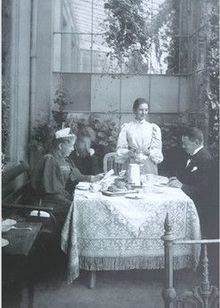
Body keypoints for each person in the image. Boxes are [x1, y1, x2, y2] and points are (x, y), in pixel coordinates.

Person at [168, 127, 214, 236]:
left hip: (200, 209)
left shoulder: (205, 159)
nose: (183, 146)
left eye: (185, 143)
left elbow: (205, 191)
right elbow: (189, 178)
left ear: (196, 142)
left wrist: (182, 186)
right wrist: (177, 180)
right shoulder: (193, 155)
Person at [31, 128, 77, 225]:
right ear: (61, 146)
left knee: (78, 207)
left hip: (54, 200)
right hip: (46, 203)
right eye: (71, 146)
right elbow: (51, 193)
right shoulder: (50, 160)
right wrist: (70, 202)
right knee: (77, 210)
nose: (73, 149)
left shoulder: (60, 159)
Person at [116, 97, 163, 175]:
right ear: (134, 110)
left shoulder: (153, 128)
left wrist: (149, 152)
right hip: (131, 162)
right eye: (140, 110)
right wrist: (129, 152)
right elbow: (120, 149)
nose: (143, 112)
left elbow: (157, 151)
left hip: (148, 164)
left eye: (146, 110)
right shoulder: (127, 127)